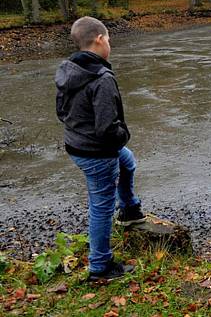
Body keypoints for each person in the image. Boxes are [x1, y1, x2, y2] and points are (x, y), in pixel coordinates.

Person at [55, 16, 145, 282]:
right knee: (101, 207)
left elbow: (61, 112)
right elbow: (108, 128)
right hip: (96, 152)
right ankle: (100, 267)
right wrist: (124, 134)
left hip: (77, 144)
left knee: (128, 162)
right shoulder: (101, 77)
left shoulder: (68, 68)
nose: (110, 44)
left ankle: (129, 209)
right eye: (109, 39)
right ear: (99, 39)